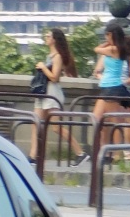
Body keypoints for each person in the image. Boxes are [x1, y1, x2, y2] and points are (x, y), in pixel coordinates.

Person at [30, 28, 88, 166]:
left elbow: (55, 78)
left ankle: (80, 153)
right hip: (43, 93)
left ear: (54, 39)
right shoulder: (50, 56)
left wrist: (43, 68)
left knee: (56, 127)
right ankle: (33, 156)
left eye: (48, 35)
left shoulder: (57, 57)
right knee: (35, 123)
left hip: (51, 94)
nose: (46, 37)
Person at [92, 23, 130, 157]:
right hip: (107, 87)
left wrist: (104, 44)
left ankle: (116, 154)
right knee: (97, 118)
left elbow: (96, 49)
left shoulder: (113, 49)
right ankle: (107, 151)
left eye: (107, 35)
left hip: (113, 87)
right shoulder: (120, 49)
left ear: (112, 35)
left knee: (114, 121)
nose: (106, 38)